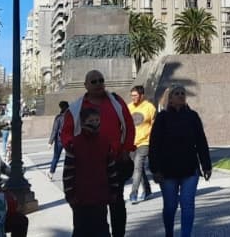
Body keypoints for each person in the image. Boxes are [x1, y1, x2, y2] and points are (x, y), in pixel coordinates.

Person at [60, 70, 136, 237]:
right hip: (87, 166)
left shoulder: (116, 102)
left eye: (101, 80)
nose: (98, 83)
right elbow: (66, 133)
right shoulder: (76, 108)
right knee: (89, 209)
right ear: (86, 85)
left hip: (114, 161)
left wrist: (125, 149)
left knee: (116, 202)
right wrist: (74, 149)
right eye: (93, 81)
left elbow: (129, 126)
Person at [149, 85, 212, 237]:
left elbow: (201, 142)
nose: (180, 96)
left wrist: (206, 165)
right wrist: (155, 169)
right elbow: (154, 144)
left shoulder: (192, 116)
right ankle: (169, 233)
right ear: (170, 98)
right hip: (167, 170)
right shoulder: (162, 118)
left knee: (187, 204)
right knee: (170, 206)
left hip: (190, 168)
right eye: (176, 93)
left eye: (182, 93)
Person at [63, 107, 123, 237]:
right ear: (83, 122)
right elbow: (68, 171)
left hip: (100, 194)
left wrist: (113, 190)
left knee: (101, 227)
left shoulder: (104, 142)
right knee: (81, 228)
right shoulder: (75, 143)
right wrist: (70, 194)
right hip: (80, 196)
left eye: (97, 120)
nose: (95, 123)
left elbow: (110, 168)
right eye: (91, 120)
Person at [127, 85, 157, 205]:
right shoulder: (128, 107)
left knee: (137, 167)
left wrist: (152, 140)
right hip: (132, 143)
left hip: (145, 142)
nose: (133, 98)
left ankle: (133, 193)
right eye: (132, 95)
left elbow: (154, 126)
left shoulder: (149, 107)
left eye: (135, 95)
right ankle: (148, 190)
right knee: (138, 169)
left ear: (141, 95)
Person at [47, 101, 71, 181]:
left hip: (59, 141)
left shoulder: (58, 117)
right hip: (68, 141)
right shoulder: (71, 116)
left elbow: (55, 130)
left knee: (56, 157)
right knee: (70, 157)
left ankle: (51, 173)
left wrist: (50, 142)